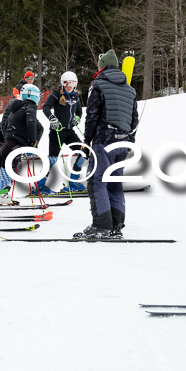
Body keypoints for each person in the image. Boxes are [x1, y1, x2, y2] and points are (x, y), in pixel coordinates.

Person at [74, 49, 138, 240]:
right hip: (124, 141)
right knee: (114, 183)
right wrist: (129, 140)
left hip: (104, 140)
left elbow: (92, 115)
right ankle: (116, 225)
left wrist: (86, 141)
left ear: (101, 67)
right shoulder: (130, 89)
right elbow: (134, 120)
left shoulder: (98, 85)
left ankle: (101, 225)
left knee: (97, 181)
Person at [0, 83, 44, 215]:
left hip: (7, 146)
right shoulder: (29, 107)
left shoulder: (16, 108)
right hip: (14, 147)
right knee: (3, 180)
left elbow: (4, 125)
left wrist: (9, 139)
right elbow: (31, 123)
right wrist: (30, 141)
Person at [32, 71, 84, 195]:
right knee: (53, 159)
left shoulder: (75, 96)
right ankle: (39, 186)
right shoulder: (56, 94)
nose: (70, 86)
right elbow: (45, 108)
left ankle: (73, 182)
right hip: (57, 131)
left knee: (83, 151)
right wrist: (52, 118)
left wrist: (77, 118)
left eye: (73, 83)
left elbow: (79, 112)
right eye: (67, 83)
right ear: (63, 83)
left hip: (70, 131)